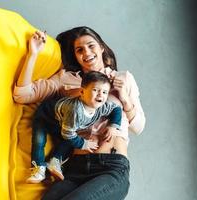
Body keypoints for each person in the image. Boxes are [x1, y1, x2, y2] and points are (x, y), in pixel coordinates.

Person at [13, 26, 145, 200]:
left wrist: (125, 98)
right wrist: (33, 54)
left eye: (91, 46)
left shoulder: (123, 78)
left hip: (110, 168)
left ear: (101, 48)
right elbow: (22, 95)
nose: (87, 53)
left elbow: (138, 127)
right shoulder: (66, 79)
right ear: (74, 55)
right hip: (75, 168)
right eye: (79, 50)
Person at [26, 71, 122, 184]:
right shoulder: (76, 110)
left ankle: (54, 161)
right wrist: (84, 144)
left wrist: (113, 126)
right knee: (39, 141)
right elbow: (68, 134)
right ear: (82, 92)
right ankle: (39, 169)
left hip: (62, 123)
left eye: (105, 92)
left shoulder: (101, 107)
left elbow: (117, 109)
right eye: (95, 90)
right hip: (45, 116)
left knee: (69, 142)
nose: (100, 95)